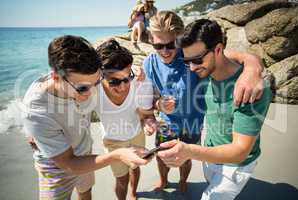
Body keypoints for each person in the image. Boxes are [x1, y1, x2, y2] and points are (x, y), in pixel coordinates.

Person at [143, 11, 265, 193]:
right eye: (158, 46)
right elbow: (150, 99)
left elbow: (231, 56)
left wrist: (252, 69)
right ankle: (163, 180)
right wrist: (159, 105)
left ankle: (183, 182)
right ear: (151, 41)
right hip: (166, 122)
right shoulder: (149, 64)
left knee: (186, 155)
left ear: (179, 39)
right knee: (162, 155)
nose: (165, 51)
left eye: (170, 45)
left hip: (193, 120)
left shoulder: (191, 56)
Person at [22, 35, 149, 200]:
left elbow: (113, 69)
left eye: (96, 83)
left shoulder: (79, 79)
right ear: (55, 77)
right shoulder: (37, 111)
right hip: (56, 167)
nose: (91, 94)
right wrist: (118, 155)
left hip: (85, 153)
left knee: (86, 192)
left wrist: (135, 71)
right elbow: (69, 163)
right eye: (83, 88)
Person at [94, 38, 157, 200]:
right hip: (113, 141)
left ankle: (133, 193)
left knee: (135, 167)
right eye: (114, 81)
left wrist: (148, 122)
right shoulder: (93, 91)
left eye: (126, 78)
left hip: (137, 134)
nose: (123, 86)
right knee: (121, 179)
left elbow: (145, 112)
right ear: (100, 75)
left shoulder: (140, 82)